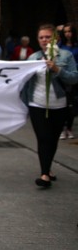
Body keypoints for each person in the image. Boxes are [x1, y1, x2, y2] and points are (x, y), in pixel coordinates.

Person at [21, 24, 78, 187]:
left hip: (58, 105)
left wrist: (57, 69)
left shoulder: (65, 56)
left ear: (56, 39)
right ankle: (45, 174)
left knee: (52, 140)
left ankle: (47, 167)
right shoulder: (33, 58)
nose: (44, 40)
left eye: (47, 37)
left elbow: (74, 78)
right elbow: (23, 81)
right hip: (36, 104)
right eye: (41, 37)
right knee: (43, 138)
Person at [59, 23, 78, 139]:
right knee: (63, 103)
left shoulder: (76, 47)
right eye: (65, 32)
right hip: (62, 77)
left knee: (72, 103)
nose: (68, 34)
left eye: (69, 31)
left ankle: (69, 127)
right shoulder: (60, 46)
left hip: (74, 76)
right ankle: (62, 128)